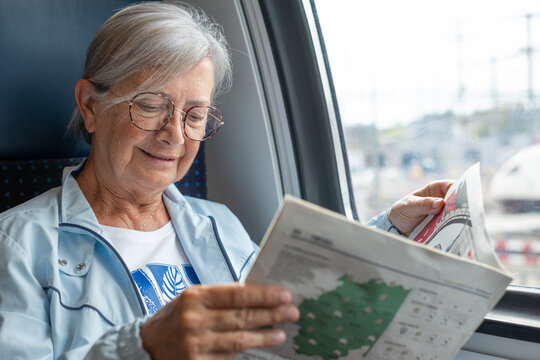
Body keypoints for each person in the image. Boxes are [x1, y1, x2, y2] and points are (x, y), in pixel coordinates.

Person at [0, 2, 452, 359]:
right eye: (152, 106)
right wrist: (145, 348)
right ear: (91, 105)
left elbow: (290, 303)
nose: (175, 134)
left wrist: (391, 232)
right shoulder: (19, 245)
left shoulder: (217, 224)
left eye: (194, 115)